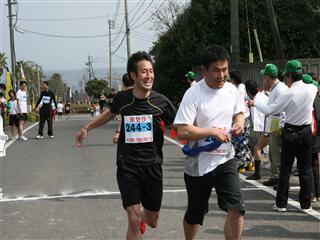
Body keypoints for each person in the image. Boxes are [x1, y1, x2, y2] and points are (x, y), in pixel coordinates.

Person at [76, 51, 177, 239]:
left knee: (152, 220)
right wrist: (87, 128)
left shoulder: (160, 102)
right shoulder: (123, 99)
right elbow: (109, 114)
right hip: (128, 166)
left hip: (153, 166)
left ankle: (142, 219)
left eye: (151, 71)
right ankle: (136, 220)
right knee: (132, 217)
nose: (149, 76)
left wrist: (203, 136)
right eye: (144, 72)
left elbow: (180, 126)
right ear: (133, 75)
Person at [174, 44, 245, 240]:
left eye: (225, 69)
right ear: (204, 70)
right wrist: (212, 131)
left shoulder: (232, 90)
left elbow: (239, 112)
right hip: (199, 163)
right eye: (216, 70)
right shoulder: (193, 93)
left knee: (236, 209)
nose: (222, 75)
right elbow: (182, 130)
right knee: (195, 215)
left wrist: (239, 122)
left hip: (225, 159)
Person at [253, 60, 317, 213]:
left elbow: (269, 109)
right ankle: (305, 205)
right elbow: (313, 85)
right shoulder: (312, 88)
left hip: (290, 131)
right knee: (305, 169)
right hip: (306, 132)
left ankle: (281, 204)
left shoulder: (288, 93)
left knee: (286, 169)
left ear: (289, 76)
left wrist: (255, 103)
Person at [249, 63, 288, 187]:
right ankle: (275, 177)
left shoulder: (280, 89)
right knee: (273, 154)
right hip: (274, 126)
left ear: (267, 77)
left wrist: (254, 103)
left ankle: (281, 181)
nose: (263, 80)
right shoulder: (276, 88)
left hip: (278, 127)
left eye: (264, 77)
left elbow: (270, 110)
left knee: (278, 156)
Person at [244, 79, 269, 180]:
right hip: (272, 126)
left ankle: (258, 174)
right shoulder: (263, 96)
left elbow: (259, 122)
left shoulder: (255, 101)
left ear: (249, 91)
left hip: (269, 128)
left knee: (257, 148)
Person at [229, 70, 252, 172]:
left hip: (243, 118)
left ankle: (243, 163)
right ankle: (248, 162)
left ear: (233, 80)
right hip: (244, 117)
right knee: (242, 142)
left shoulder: (239, 89)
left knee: (240, 142)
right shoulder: (241, 87)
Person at [113, 73, 134, 144]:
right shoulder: (143, 94)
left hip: (128, 134)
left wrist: (118, 132)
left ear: (123, 84)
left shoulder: (122, 96)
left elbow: (123, 117)